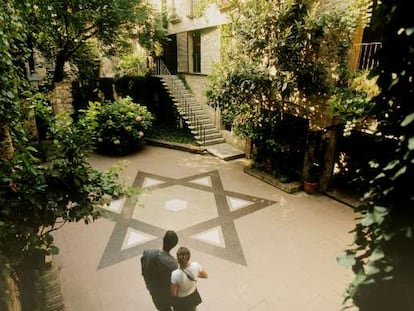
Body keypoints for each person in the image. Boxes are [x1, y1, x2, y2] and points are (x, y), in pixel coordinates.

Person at [141, 230, 179, 311]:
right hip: (166, 295)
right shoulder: (173, 264)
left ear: (163, 239)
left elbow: (143, 269)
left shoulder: (147, 253)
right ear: (174, 246)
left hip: (154, 293)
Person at [171, 246, 208, 311]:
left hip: (182, 299)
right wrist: (196, 274)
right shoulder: (196, 265)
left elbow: (174, 293)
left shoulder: (175, 274)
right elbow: (205, 275)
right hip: (193, 294)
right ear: (189, 257)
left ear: (178, 259)